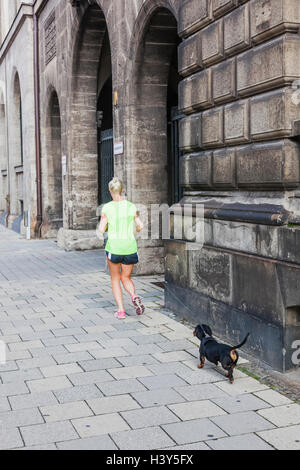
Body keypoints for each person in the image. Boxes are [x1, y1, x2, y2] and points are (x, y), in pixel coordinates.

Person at [99, 177, 145, 319]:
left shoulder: (107, 208)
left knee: (115, 278)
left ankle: (121, 311)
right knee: (126, 277)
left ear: (110, 191)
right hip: (129, 247)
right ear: (122, 190)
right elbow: (140, 225)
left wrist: (107, 225)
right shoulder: (131, 206)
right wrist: (136, 230)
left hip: (114, 248)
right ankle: (134, 295)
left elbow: (101, 229)